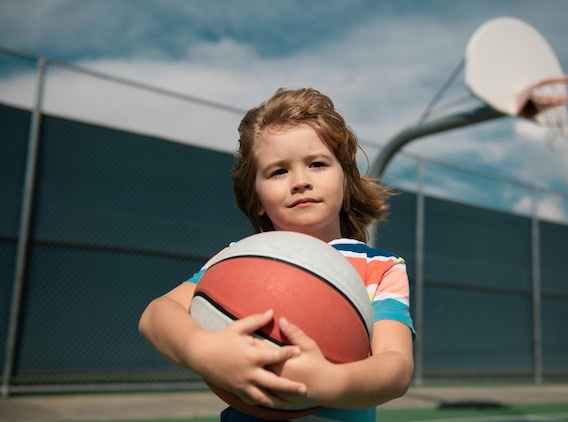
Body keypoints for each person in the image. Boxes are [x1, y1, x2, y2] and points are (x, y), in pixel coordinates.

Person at [139, 88, 415, 421]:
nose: (300, 181)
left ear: (346, 183)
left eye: (317, 164)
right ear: (256, 199)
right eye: (279, 171)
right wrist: (202, 349)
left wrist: (331, 381)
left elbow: (396, 366)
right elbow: (157, 314)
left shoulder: (380, 269)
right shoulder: (237, 259)